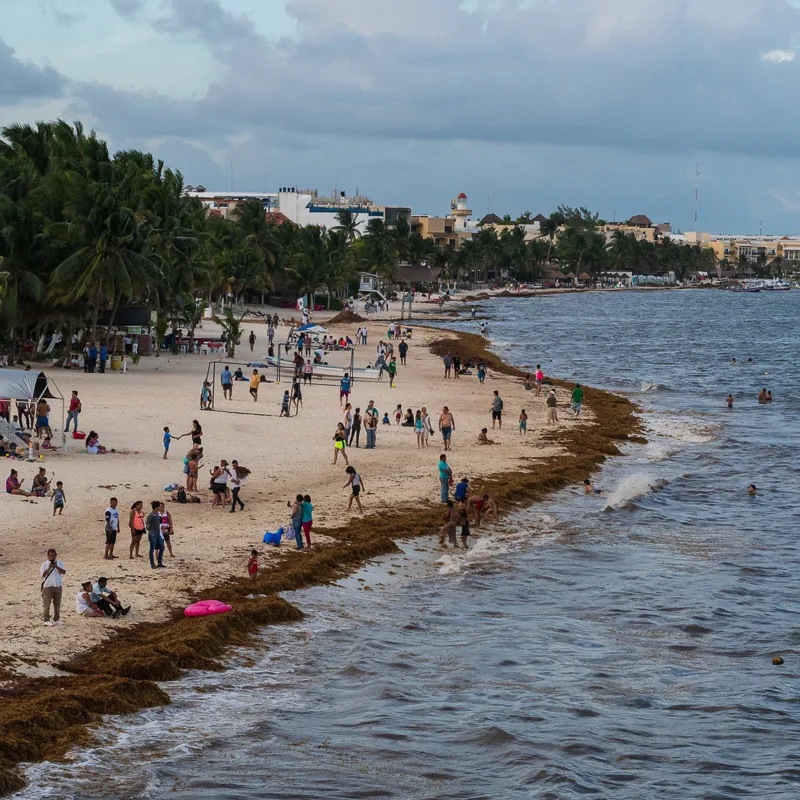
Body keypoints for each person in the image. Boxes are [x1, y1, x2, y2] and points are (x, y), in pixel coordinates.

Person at [41, 548, 66, 625]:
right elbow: (42, 575)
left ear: (56, 555)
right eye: (50, 556)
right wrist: (49, 568)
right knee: (47, 604)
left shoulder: (60, 563)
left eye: (53, 555)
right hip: (48, 586)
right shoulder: (44, 564)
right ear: (48, 556)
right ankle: (46, 619)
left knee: (57, 604)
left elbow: (64, 571)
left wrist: (56, 567)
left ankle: (56, 619)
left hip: (57, 586)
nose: (52, 557)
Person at [146, 500, 165, 569]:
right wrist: (152, 530)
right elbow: (147, 526)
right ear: (156, 507)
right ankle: (152, 563)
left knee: (162, 548)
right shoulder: (150, 516)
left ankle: (159, 562)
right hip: (153, 535)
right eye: (159, 507)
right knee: (152, 549)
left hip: (157, 534)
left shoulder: (157, 515)